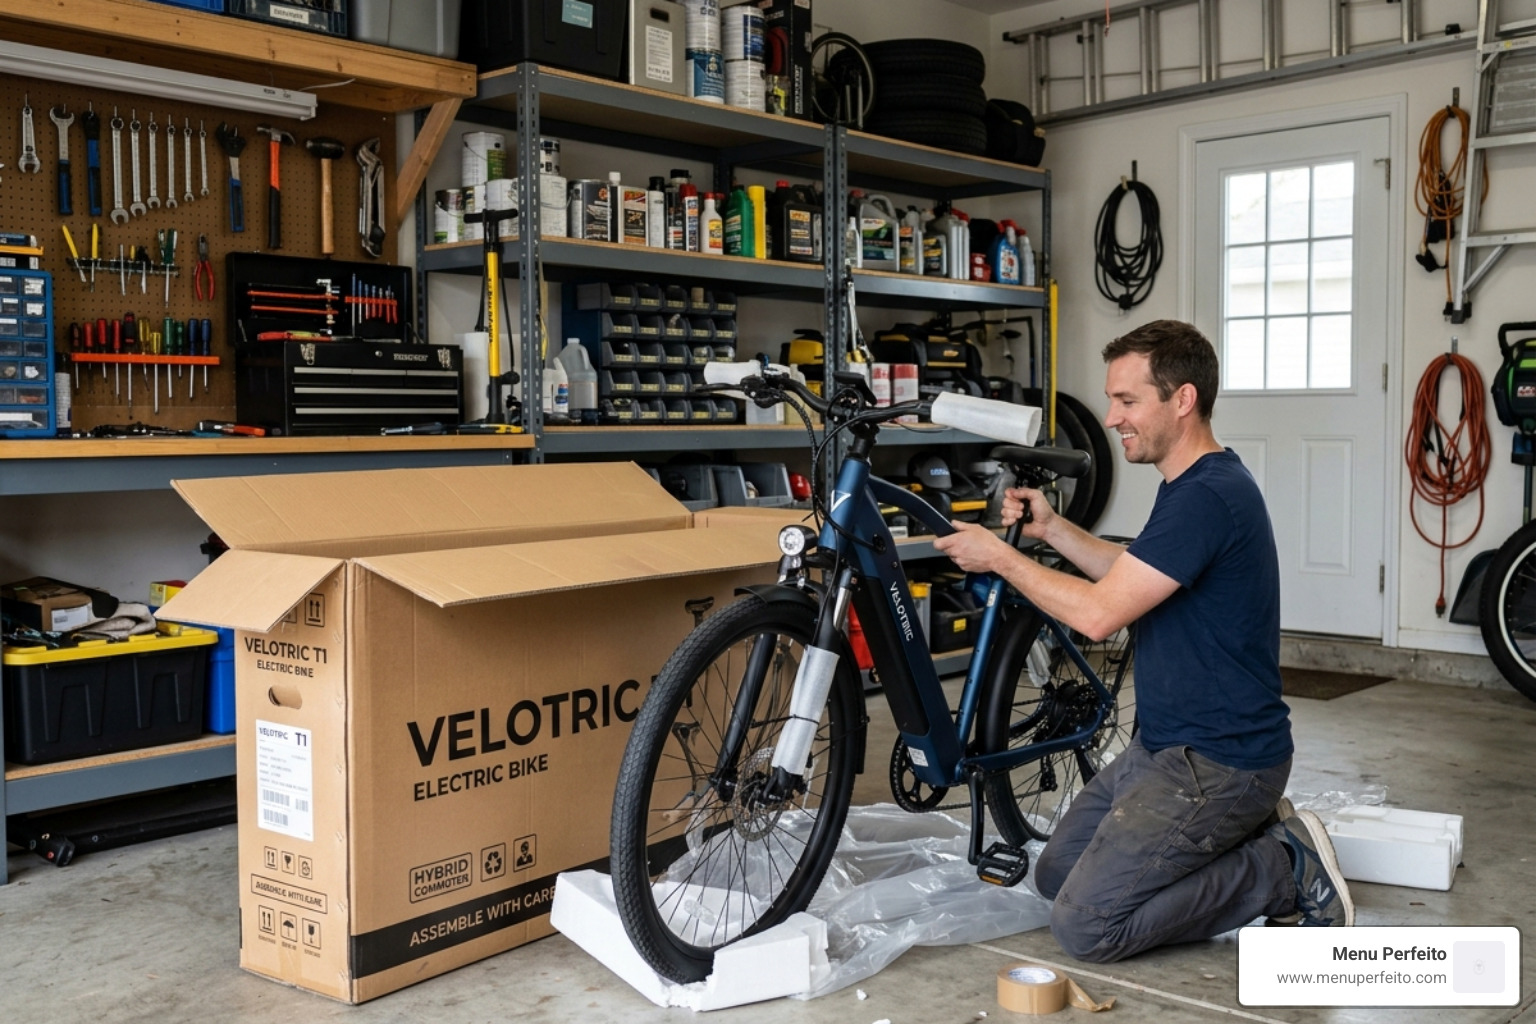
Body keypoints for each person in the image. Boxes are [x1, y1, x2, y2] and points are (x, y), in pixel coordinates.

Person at [933, 319, 1353, 963]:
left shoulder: (1209, 496)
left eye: (1127, 401)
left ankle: (1280, 869)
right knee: (1055, 875)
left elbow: (1101, 616)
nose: (1109, 417)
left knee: (1088, 928)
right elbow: (1130, 577)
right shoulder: (1191, 485)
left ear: (1182, 399)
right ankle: (1235, 837)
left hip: (1222, 762)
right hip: (1163, 750)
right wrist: (1052, 530)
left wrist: (1002, 558)